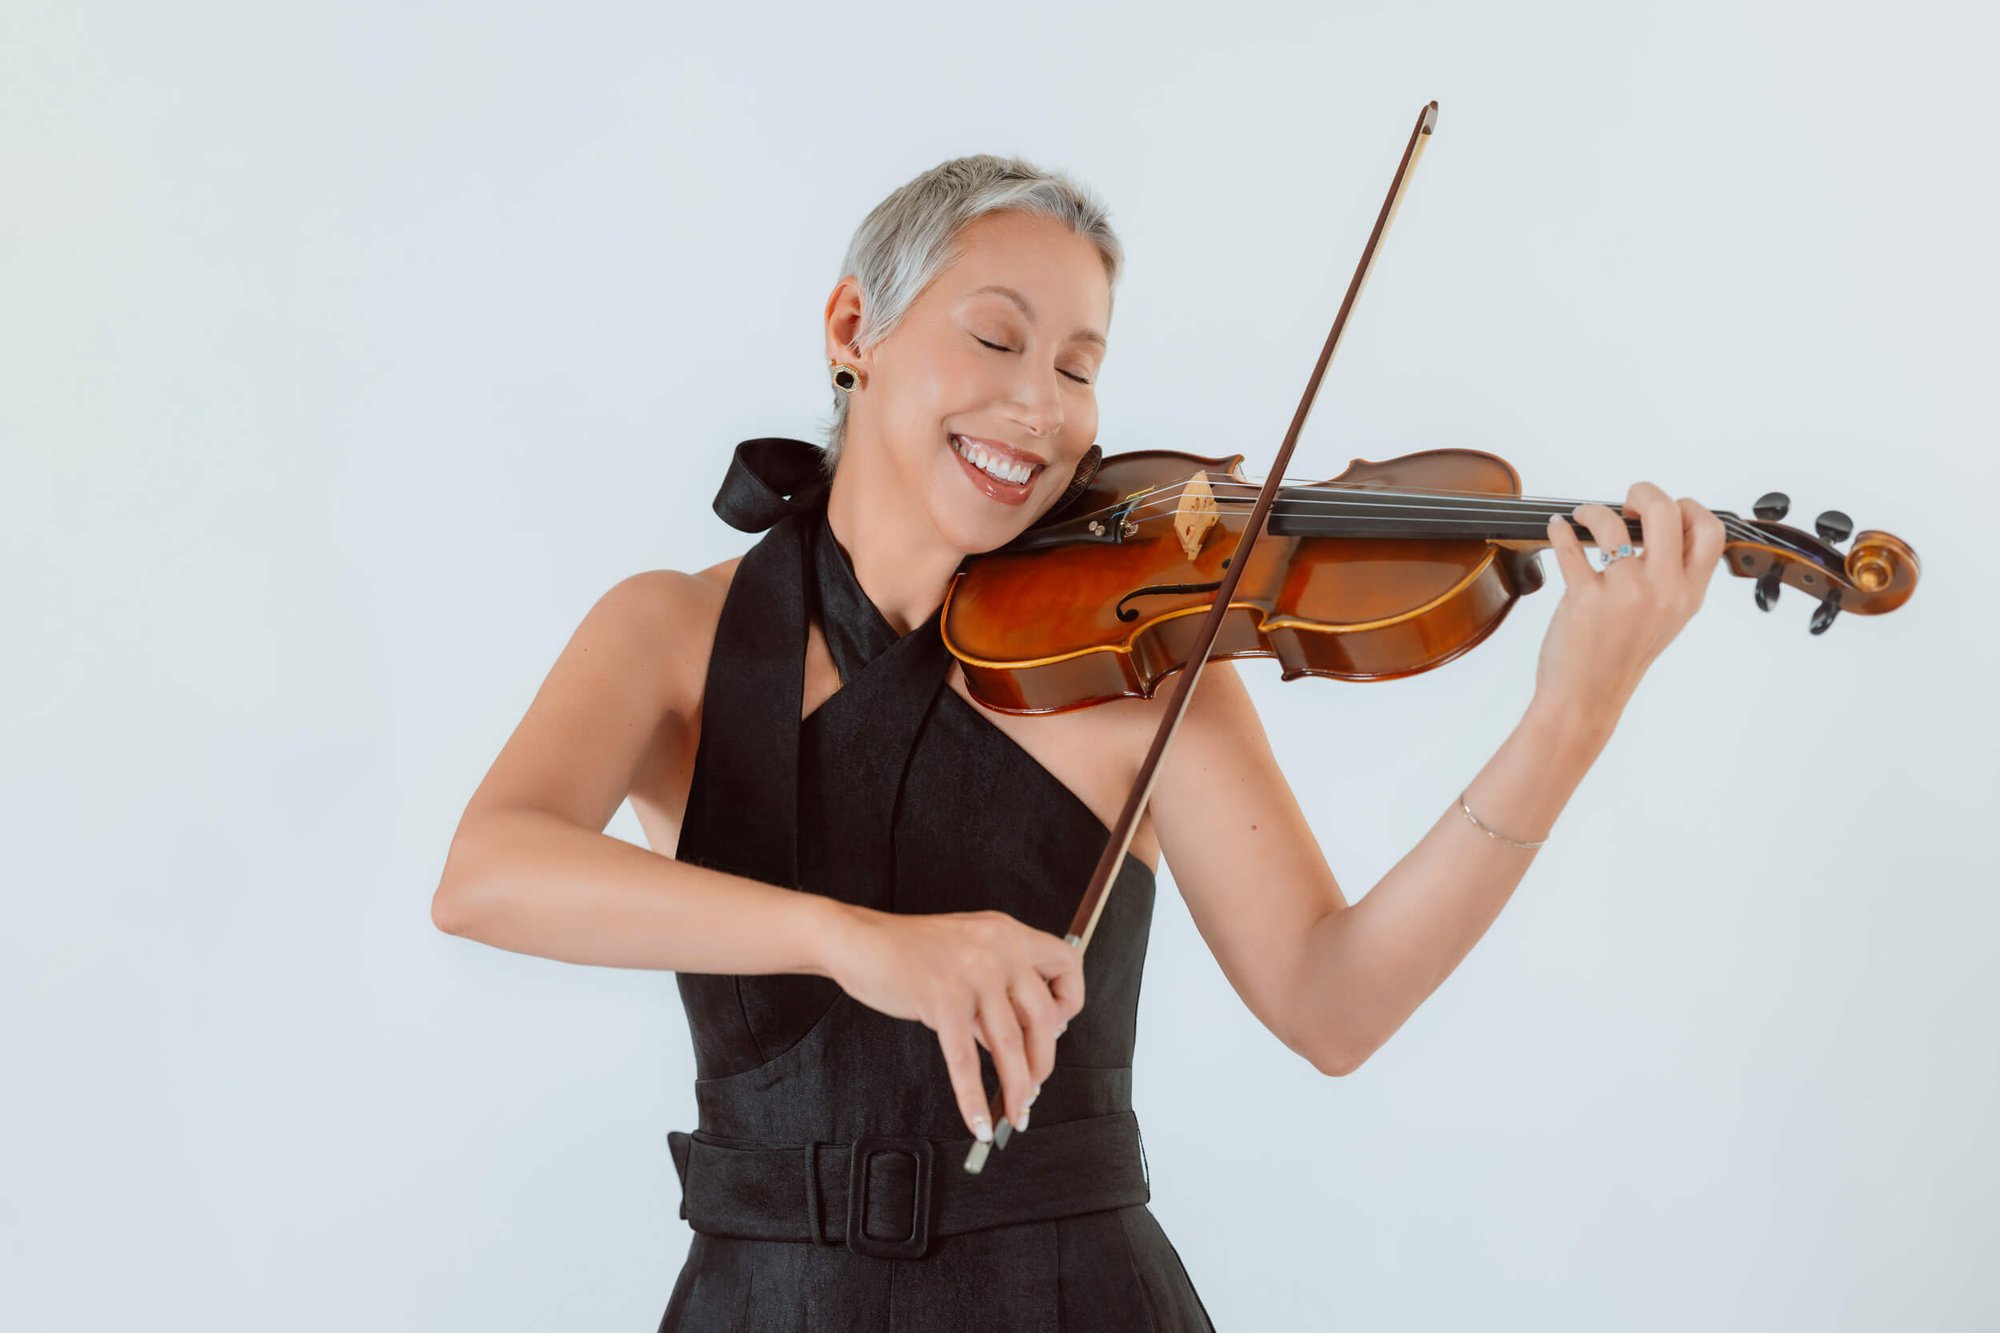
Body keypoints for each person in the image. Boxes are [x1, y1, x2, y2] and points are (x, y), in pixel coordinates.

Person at [430, 153, 1728, 1331]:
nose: (1039, 407)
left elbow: (1334, 1004)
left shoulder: (1142, 662)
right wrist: (856, 938)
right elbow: (485, 873)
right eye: (997, 337)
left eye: (1078, 364)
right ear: (852, 331)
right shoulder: (671, 633)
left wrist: (1571, 717)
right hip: (765, 1302)